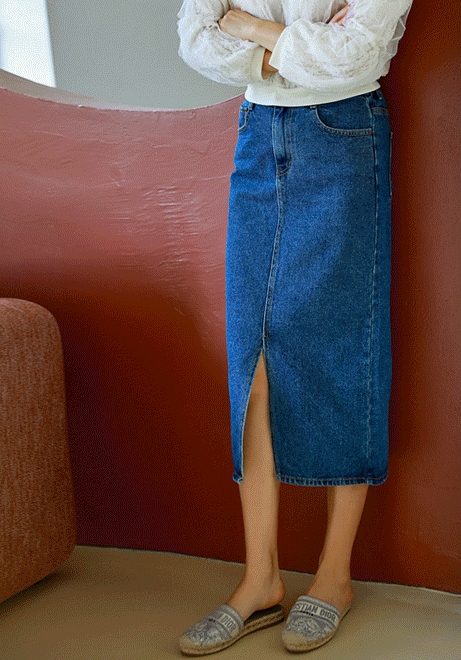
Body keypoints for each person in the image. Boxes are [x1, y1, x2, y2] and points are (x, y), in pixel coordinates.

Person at [176, 0, 413, 655]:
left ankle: (334, 577)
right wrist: (289, 48)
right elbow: (195, 39)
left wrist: (250, 27)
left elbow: (356, 54)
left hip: (345, 131)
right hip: (258, 130)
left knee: (344, 348)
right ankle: (261, 579)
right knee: (250, 356)